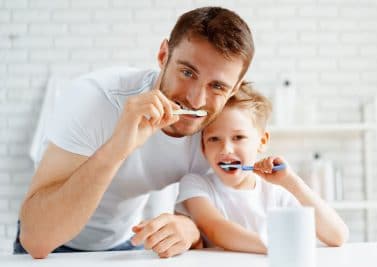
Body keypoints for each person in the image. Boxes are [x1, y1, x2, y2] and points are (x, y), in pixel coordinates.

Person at [16, 7, 255, 259]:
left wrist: (191, 228)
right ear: (163, 55)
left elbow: (228, 219)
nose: (196, 100)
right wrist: (117, 148)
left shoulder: (221, 134)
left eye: (217, 86)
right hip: (51, 247)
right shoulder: (96, 100)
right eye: (187, 72)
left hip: (126, 244)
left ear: (234, 88)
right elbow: (36, 239)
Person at [175, 83, 349, 253]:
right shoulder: (196, 185)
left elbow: (337, 236)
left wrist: (291, 182)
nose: (226, 149)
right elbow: (215, 228)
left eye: (238, 137)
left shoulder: (277, 193)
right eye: (214, 139)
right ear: (203, 148)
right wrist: (276, 246)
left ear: (262, 141)